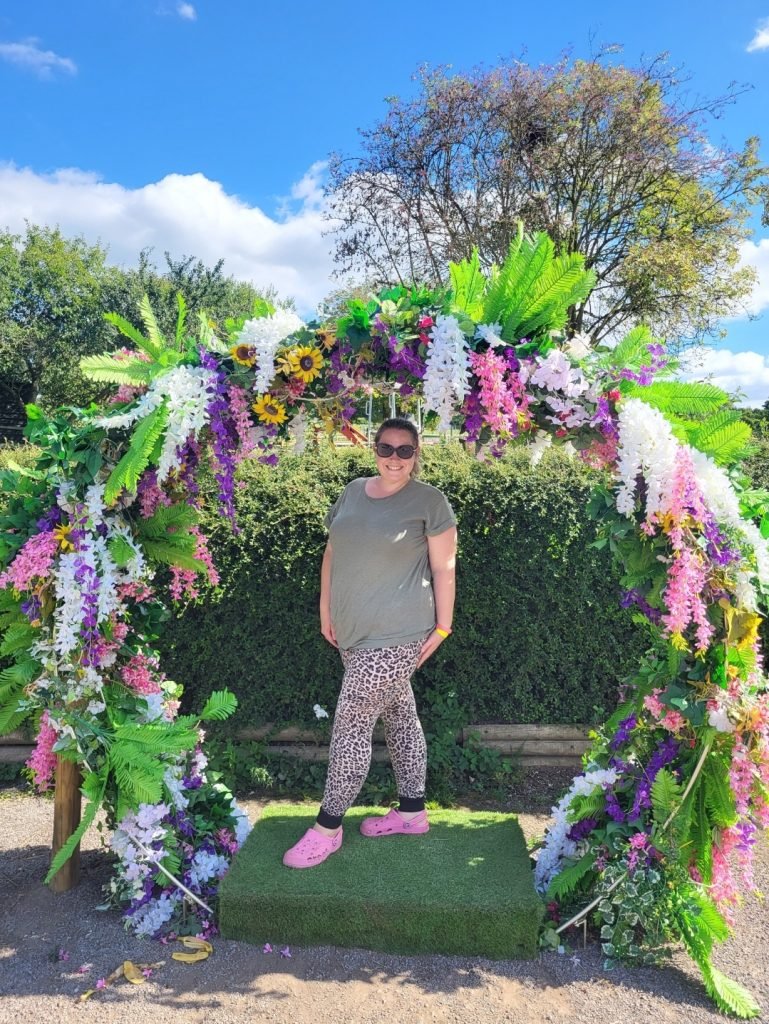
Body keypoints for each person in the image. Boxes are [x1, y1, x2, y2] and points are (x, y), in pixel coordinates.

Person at [283, 417, 458, 868]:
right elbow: (332, 552)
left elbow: (444, 568)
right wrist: (326, 609)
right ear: (374, 448)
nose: (394, 458)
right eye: (386, 448)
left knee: (352, 723)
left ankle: (327, 827)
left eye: (404, 450)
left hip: (398, 635)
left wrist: (442, 628)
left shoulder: (429, 501)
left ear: (417, 454)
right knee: (400, 715)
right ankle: (412, 813)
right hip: (352, 634)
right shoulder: (353, 491)